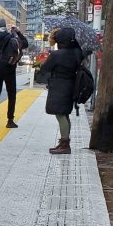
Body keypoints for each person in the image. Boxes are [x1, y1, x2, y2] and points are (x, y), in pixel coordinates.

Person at [40, 27, 83, 155]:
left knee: (60, 114)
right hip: (71, 85)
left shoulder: (57, 54)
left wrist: (44, 60)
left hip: (59, 86)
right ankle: (64, 142)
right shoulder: (77, 52)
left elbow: (44, 68)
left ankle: (65, 145)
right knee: (65, 113)